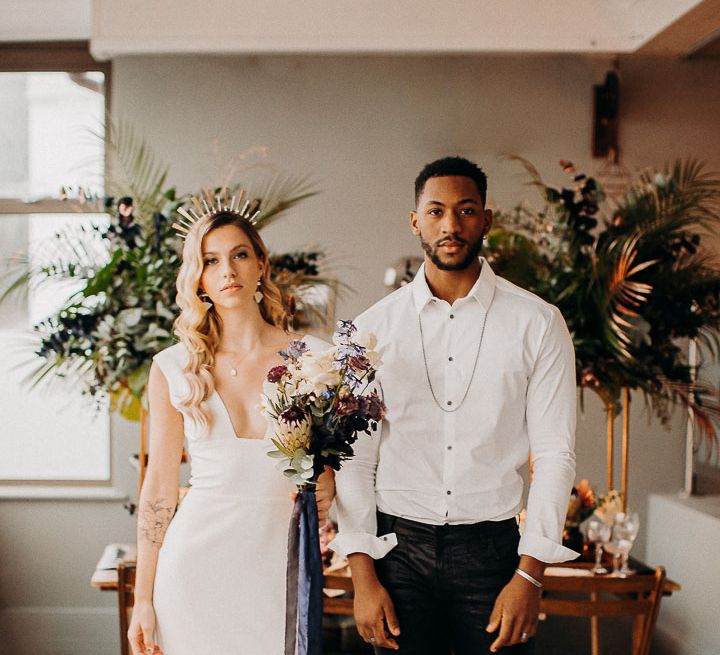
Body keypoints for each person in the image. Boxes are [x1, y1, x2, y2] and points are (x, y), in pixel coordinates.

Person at [331, 157, 578, 654]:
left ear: (486, 219)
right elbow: (354, 459)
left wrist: (529, 576)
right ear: (415, 219)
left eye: (466, 210)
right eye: (436, 210)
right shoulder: (368, 330)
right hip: (396, 555)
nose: (451, 225)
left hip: (493, 556)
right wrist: (362, 576)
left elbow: (555, 455)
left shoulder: (538, 323)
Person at [127, 199, 335, 655]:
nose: (228, 270)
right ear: (197, 277)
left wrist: (325, 484)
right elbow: (159, 486)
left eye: (240, 254)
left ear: (261, 263)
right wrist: (142, 598)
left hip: (276, 567)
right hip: (192, 571)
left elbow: (331, 479)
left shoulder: (315, 359)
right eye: (211, 260)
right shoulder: (173, 367)